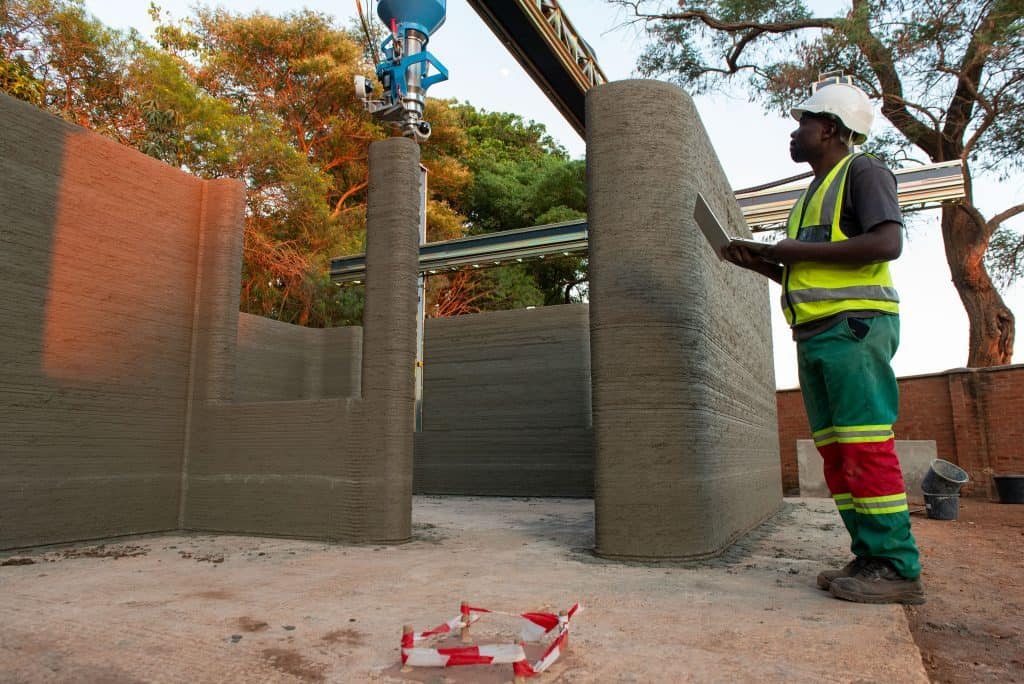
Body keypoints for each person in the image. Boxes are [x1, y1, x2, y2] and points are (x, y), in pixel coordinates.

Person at [724, 76, 924, 605]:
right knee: (838, 454)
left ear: (831, 129)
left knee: (864, 445)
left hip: (853, 329)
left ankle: (899, 566)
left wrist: (792, 252)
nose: (795, 134)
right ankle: (871, 555)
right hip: (818, 334)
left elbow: (887, 242)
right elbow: (812, 272)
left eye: (803, 124)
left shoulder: (864, 171)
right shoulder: (812, 193)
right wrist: (767, 262)